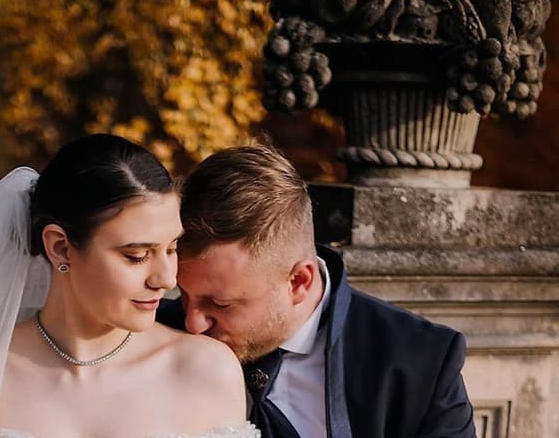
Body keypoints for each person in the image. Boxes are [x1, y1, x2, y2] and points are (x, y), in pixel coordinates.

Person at [0, 134, 258, 438]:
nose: (165, 278)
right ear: (60, 247)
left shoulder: (204, 371)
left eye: (171, 248)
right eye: (136, 255)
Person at [158, 143, 476, 438]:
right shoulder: (151, 334)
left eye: (220, 304)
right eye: (184, 294)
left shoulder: (422, 361)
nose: (192, 323)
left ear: (299, 282)